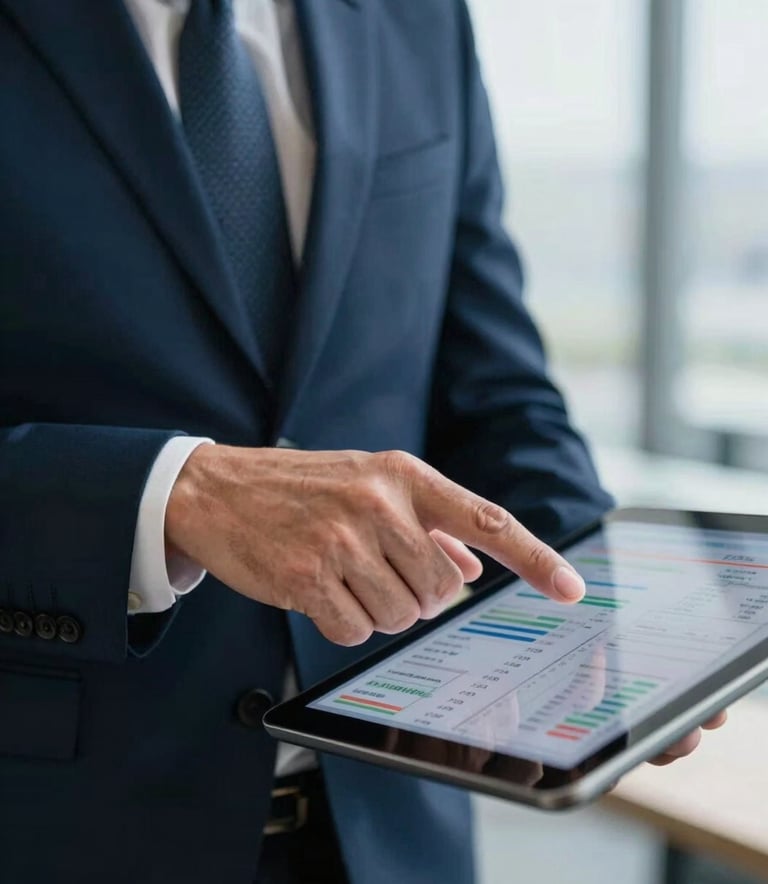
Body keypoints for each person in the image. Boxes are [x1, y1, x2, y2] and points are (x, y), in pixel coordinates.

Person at [0, 1, 725, 881]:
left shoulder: (417, 19)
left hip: (392, 832)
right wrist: (174, 495)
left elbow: (494, 390)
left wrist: (592, 592)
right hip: (54, 830)